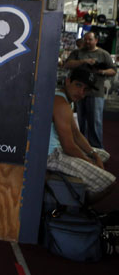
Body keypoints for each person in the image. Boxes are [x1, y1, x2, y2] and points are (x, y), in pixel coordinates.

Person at [47, 67, 116, 202]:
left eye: (86, 89)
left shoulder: (66, 101)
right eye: (78, 85)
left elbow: (76, 135)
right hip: (51, 155)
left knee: (103, 155)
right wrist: (92, 163)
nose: (81, 93)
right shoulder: (60, 103)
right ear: (67, 81)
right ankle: (80, 207)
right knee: (110, 183)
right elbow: (69, 146)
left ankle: (81, 191)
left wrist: (93, 154)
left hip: (58, 149)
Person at [64, 32, 117, 149]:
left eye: (90, 39)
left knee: (95, 122)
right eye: (85, 39)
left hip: (95, 92)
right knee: (80, 121)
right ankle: (82, 147)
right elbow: (67, 64)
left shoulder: (103, 54)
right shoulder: (78, 53)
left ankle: (97, 148)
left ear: (96, 40)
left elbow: (113, 71)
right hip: (77, 93)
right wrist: (84, 62)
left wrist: (101, 71)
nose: (87, 42)